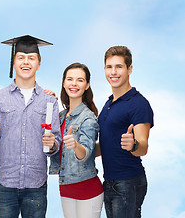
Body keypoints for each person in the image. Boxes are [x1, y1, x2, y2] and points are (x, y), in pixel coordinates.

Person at [0, 35, 62, 218]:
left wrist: (52, 143)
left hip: (36, 184)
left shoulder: (49, 101)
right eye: (21, 58)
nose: (26, 62)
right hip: (5, 183)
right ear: (14, 62)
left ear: (38, 64)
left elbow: (54, 142)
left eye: (31, 58)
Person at [98, 46, 154, 218]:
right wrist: (81, 150)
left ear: (129, 69)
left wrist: (134, 144)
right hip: (110, 181)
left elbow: (143, 146)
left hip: (128, 182)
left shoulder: (138, 103)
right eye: (109, 67)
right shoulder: (109, 103)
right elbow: (108, 143)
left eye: (119, 67)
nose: (113, 72)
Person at [49, 63, 104, 218]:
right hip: (65, 187)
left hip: (87, 189)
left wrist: (75, 145)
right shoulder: (60, 116)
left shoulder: (88, 117)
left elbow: (86, 153)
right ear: (64, 83)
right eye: (70, 79)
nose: (74, 83)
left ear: (87, 85)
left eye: (80, 80)